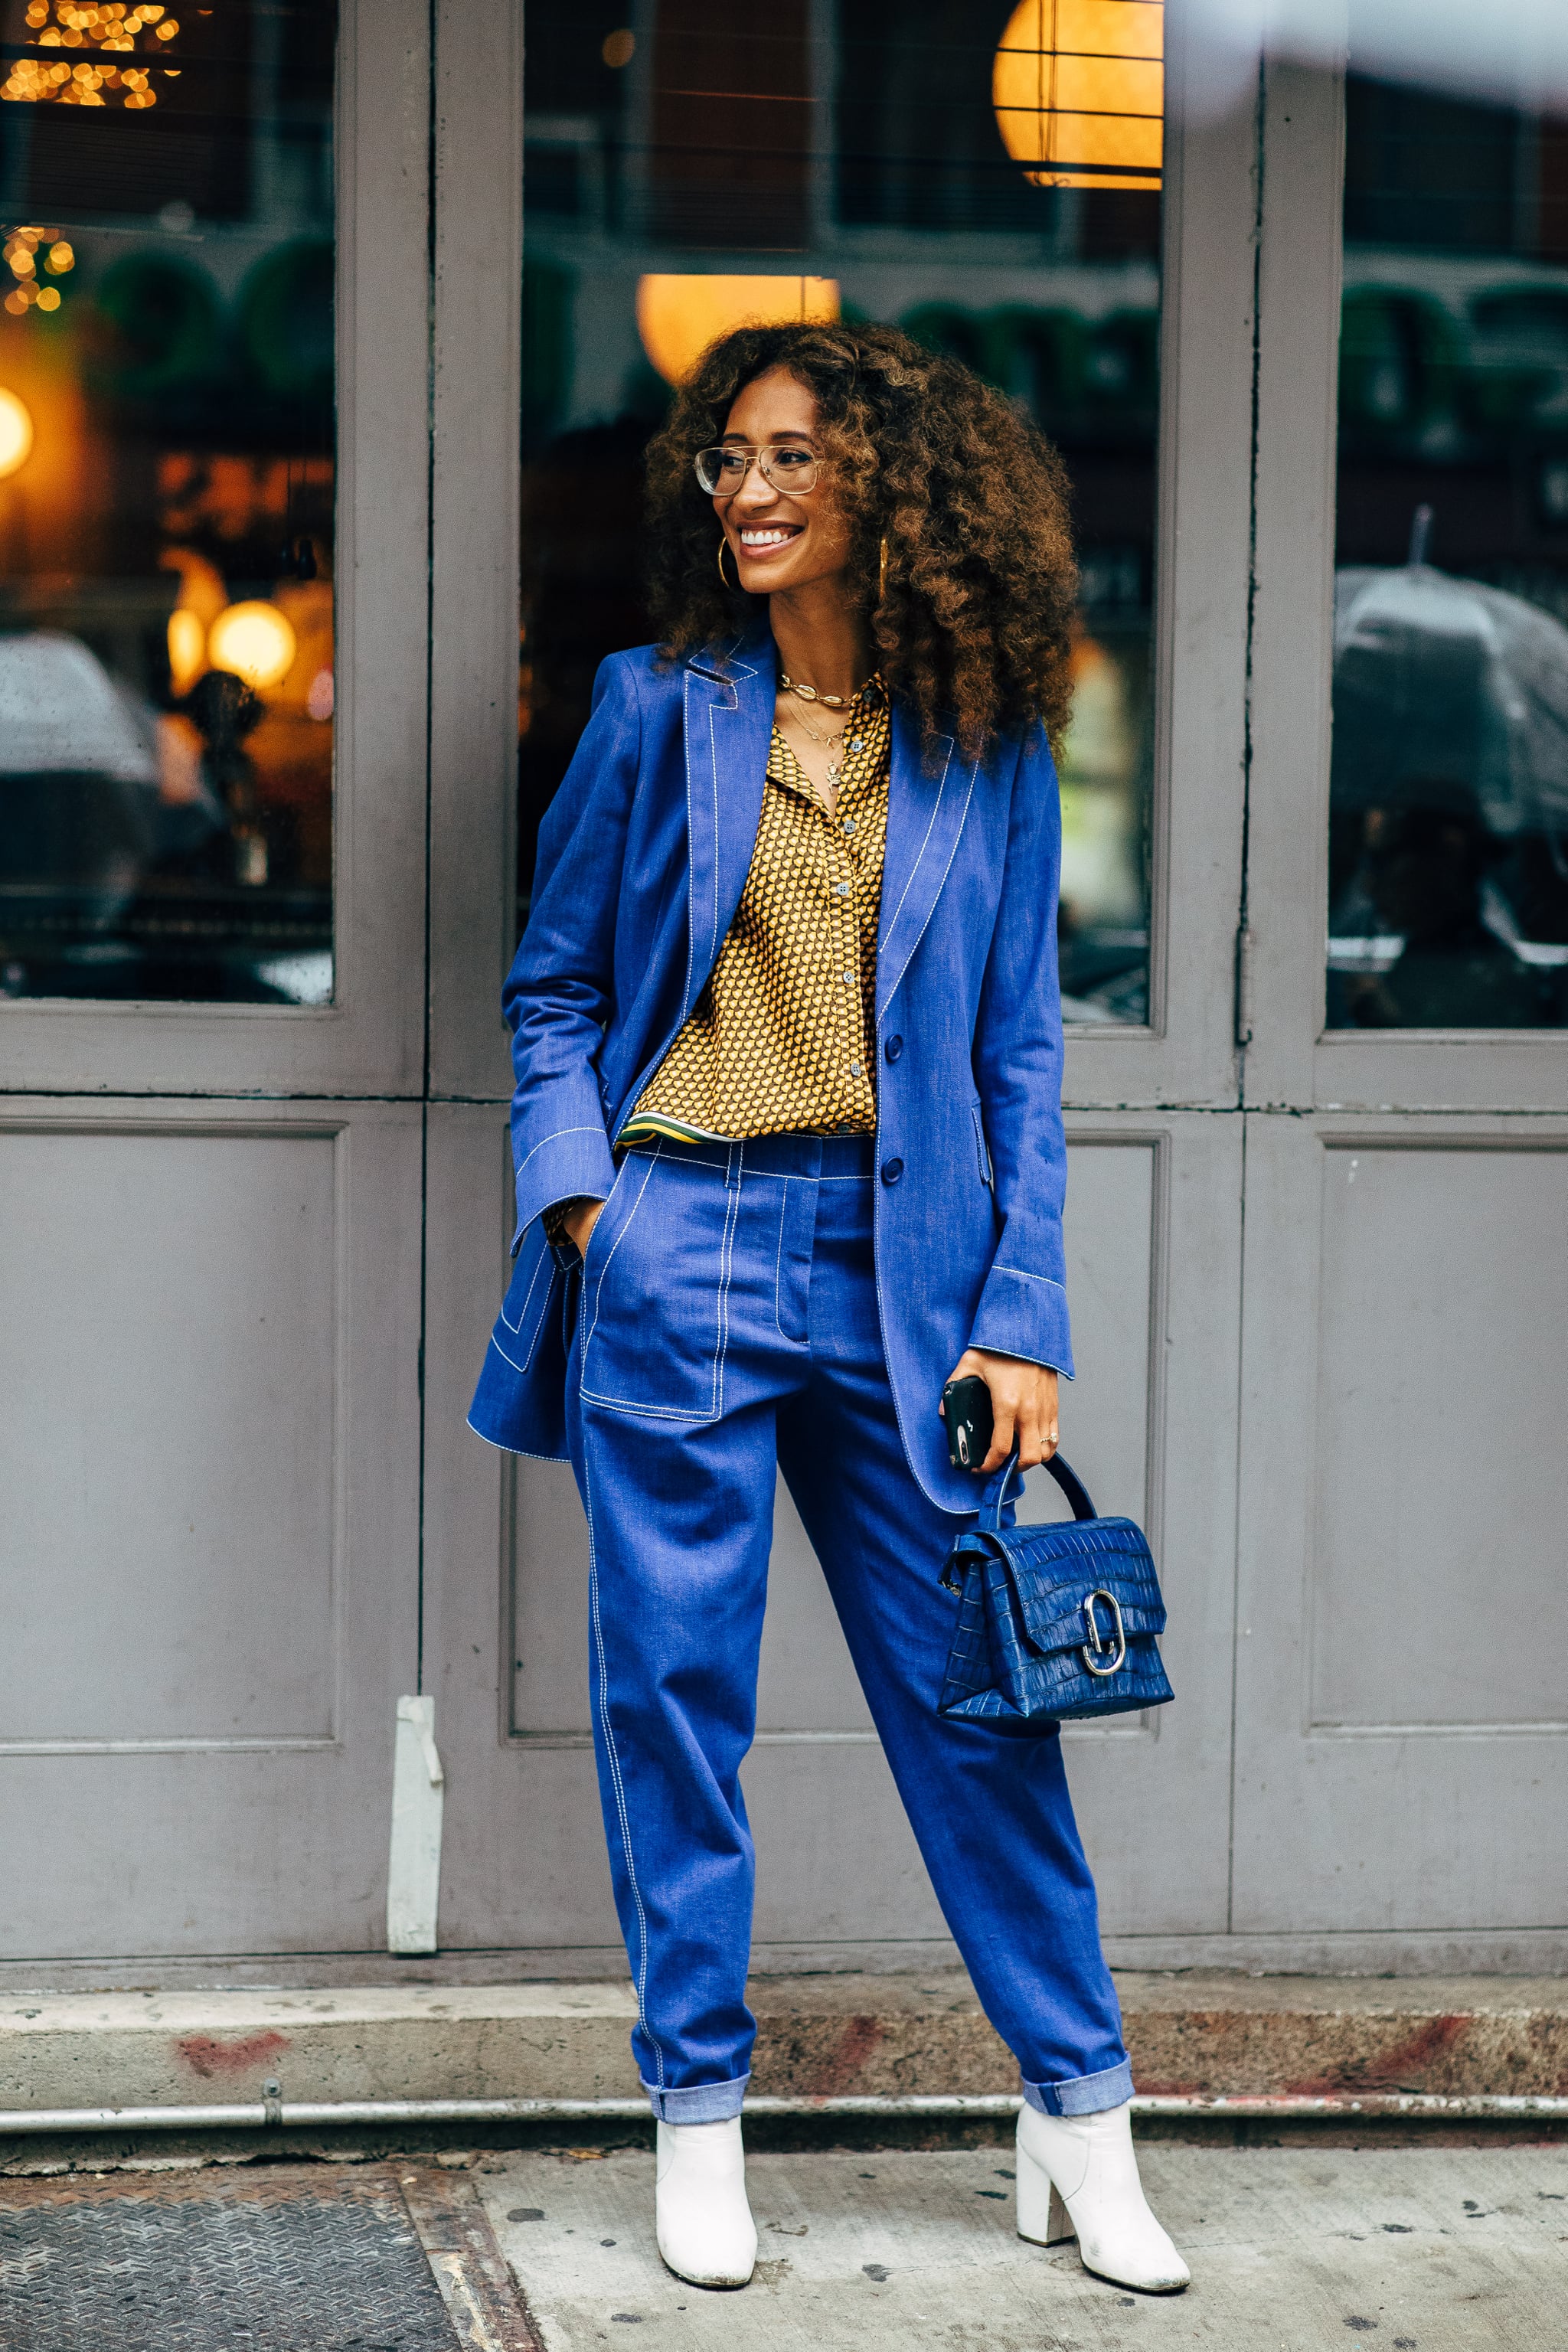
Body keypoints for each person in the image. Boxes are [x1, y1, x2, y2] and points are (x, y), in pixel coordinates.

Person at [469, 321, 1188, 2298]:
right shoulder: (651, 707)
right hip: (679, 1240)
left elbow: (1022, 1059)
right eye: (727, 460)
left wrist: (1021, 1315)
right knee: (676, 1709)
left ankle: (1081, 2115)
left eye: (790, 453)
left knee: (980, 1715)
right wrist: (583, 1202)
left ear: (892, 484)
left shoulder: (990, 746)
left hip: (909, 1281)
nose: (750, 489)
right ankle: (698, 2118)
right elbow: (551, 988)